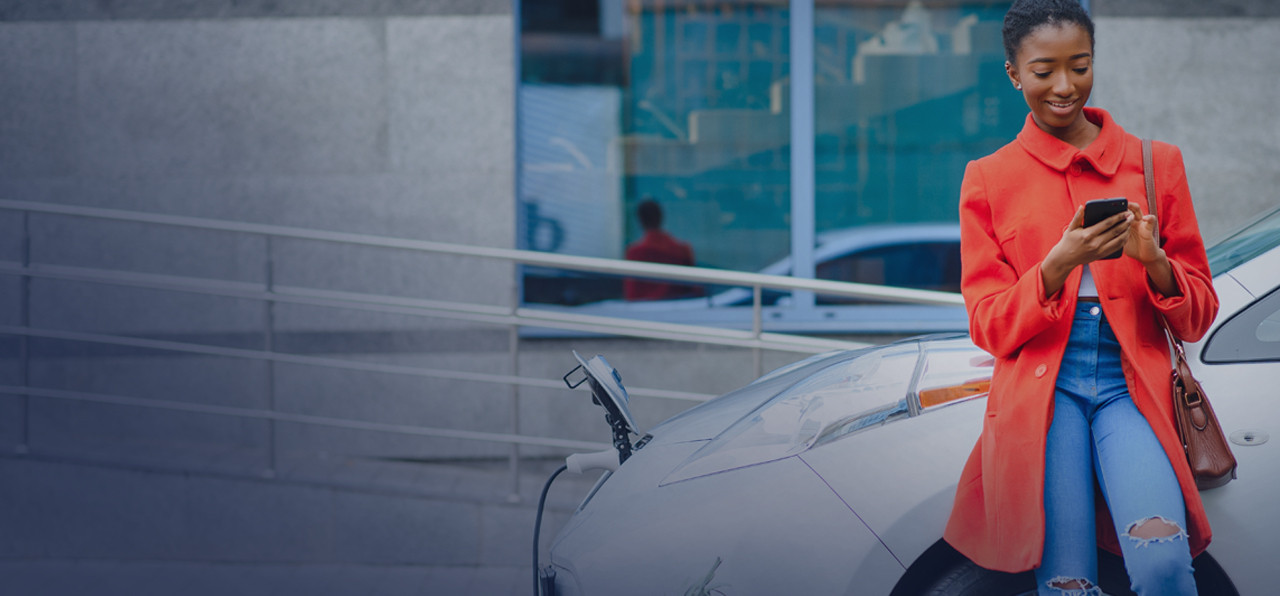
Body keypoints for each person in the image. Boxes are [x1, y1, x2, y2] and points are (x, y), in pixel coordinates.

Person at [941, 1, 1218, 595]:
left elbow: (1198, 314)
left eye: (1080, 66)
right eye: (1043, 72)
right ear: (1014, 74)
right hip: (1044, 393)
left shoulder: (1156, 164)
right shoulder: (988, 178)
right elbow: (987, 324)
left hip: (1130, 383)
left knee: (1165, 566)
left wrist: (1155, 263)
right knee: (1067, 585)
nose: (1064, 87)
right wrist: (1058, 263)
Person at [623, 198, 700, 300]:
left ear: (640, 221)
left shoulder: (635, 253)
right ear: (661, 217)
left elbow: (631, 294)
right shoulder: (682, 249)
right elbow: (694, 289)